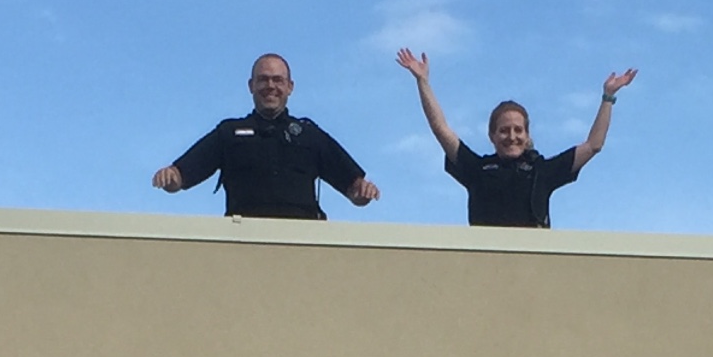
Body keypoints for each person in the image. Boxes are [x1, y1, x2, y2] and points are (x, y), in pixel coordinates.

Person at [395, 50, 635, 229]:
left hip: (532, 268)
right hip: (485, 267)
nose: (512, 137)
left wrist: (608, 97)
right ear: (492, 136)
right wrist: (423, 82)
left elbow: (594, 145)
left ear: (527, 135)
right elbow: (441, 129)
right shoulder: (477, 169)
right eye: (504, 130)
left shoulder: (542, 170)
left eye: (518, 130)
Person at [154, 55, 380, 218]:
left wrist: (363, 191)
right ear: (251, 86)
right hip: (244, 242)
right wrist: (170, 176)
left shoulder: (310, 135)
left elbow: (354, 190)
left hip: (302, 244)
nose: (270, 86)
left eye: (278, 80)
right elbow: (181, 176)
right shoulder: (229, 133)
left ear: (290, 87)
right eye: (263, 79)